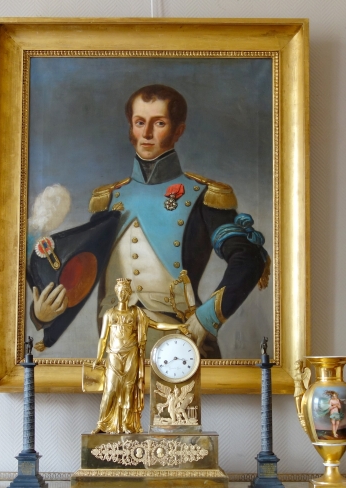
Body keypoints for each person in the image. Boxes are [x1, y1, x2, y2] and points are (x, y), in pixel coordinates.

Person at [32, 84, 269, 357]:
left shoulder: (203, 196)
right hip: (116, 348)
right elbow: (80, 274)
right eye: (139, 123)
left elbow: (249, 258)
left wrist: (208, 318)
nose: (146, 134)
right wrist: (43, 315)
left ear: (178, 130)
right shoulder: (107, 200)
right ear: (130, 128)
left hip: (183, 346)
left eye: (158, 123)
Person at [91, 278, 187, 434]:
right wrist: (98, 358)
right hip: (114, 356)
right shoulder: (110, 314)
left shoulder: (136, 313)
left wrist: (178, 326)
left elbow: (156, 324)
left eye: (125, 291)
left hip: (131, 355)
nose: (122, 294)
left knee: (129, 390)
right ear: (116, 292)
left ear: (129, 294)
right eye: (120, 291)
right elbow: (103, 338)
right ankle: (102, 423)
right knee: (110, 390)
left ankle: (126, 424)